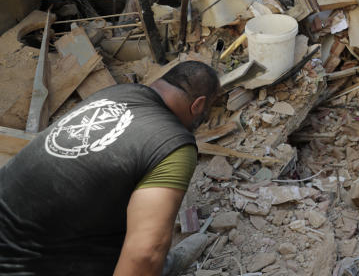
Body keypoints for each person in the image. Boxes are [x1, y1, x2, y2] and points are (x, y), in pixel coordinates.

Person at [0, 60, 220, 276]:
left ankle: (165, 265)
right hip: (26, 265)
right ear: (198, 105)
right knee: (148, 254)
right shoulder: (172, 143)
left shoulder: (119, 92)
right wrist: (153, 261)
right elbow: (145, 255)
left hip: (22, 225)